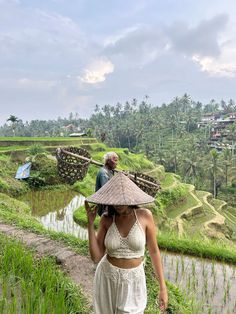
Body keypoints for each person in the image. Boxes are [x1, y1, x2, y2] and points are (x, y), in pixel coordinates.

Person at [85, 172, 168, 314]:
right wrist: (90, 224)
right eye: (115, 199)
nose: (118, 204)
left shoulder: (145, 216)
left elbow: (154, 251)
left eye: (122, 199)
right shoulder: (107, 219)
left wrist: (162, 288)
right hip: (107, 278)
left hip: (133, 280)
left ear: (131, 196)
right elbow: (96, 257)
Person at [95, 151, 119, 216]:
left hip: (108, 203)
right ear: (108, 161)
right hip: (104, 206)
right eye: (115, 160)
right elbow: (107, 191)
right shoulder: (103, 173)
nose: (116, 163)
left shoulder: (110, 171)